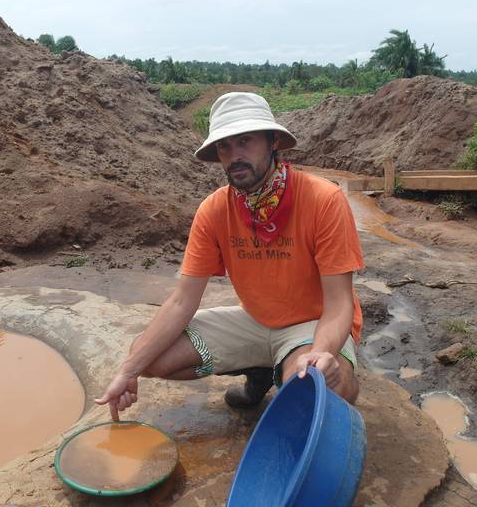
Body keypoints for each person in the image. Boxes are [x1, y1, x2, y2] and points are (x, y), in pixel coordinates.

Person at [95, 92, 364, 421]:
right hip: (254, 321)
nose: (235, 156)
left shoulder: (324, 200)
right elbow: (182, 301)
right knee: (145, 356)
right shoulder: (214, 210)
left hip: (312, 324)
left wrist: (322, 352)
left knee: (315, 386)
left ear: (273, 141)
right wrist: (128, 372)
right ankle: (260, 368)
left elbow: (339, 304)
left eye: (245, 141)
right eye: (225, 146)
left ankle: (314, 369)